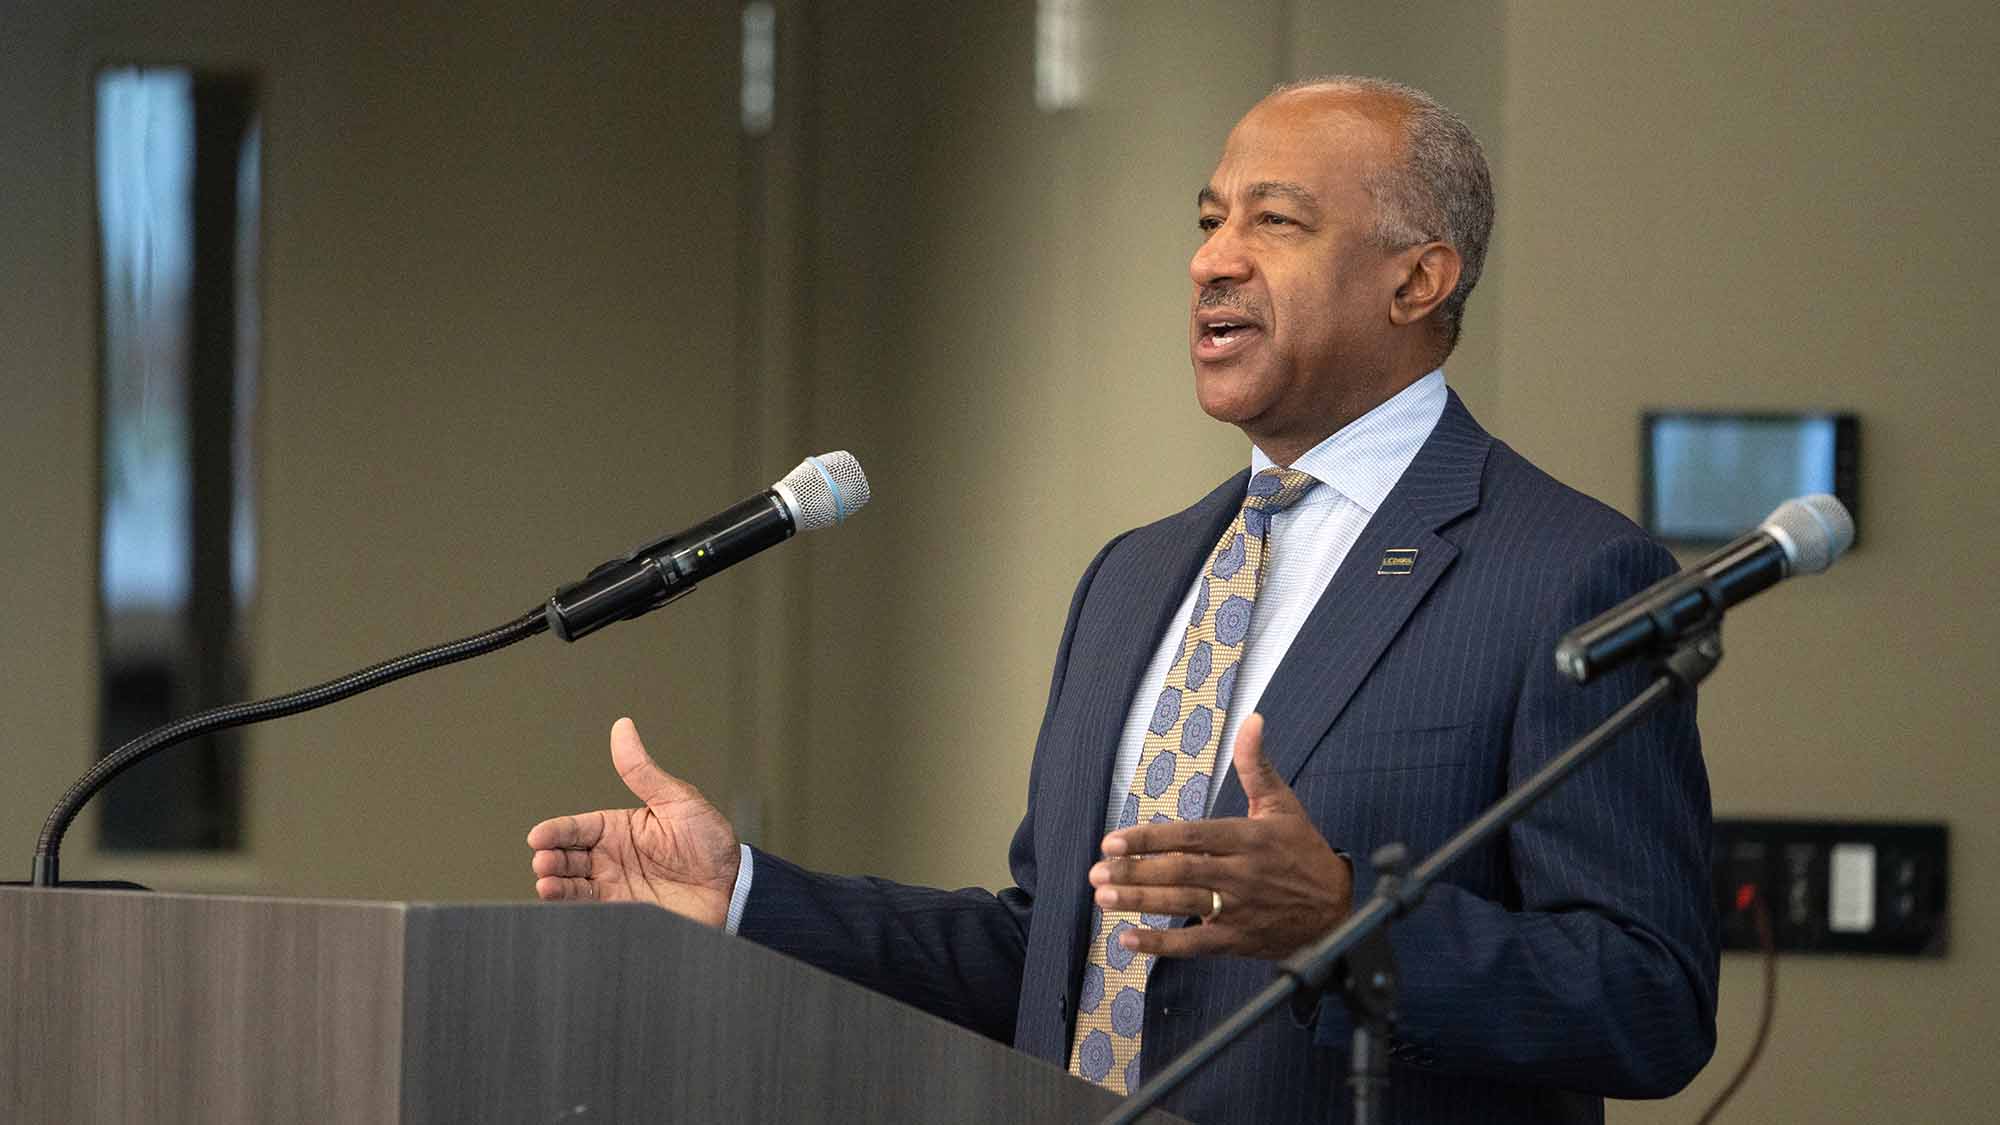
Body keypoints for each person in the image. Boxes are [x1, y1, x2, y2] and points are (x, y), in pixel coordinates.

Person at [528, 76, 1719, 1124]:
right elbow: (1048, 952)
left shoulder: (1562, 574)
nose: (1211, 258)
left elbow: (1649, 1004)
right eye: (1207, 221)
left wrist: (1345, 920)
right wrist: (746, 896)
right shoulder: (1136, 574)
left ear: (1418, 279)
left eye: (1274, 222)